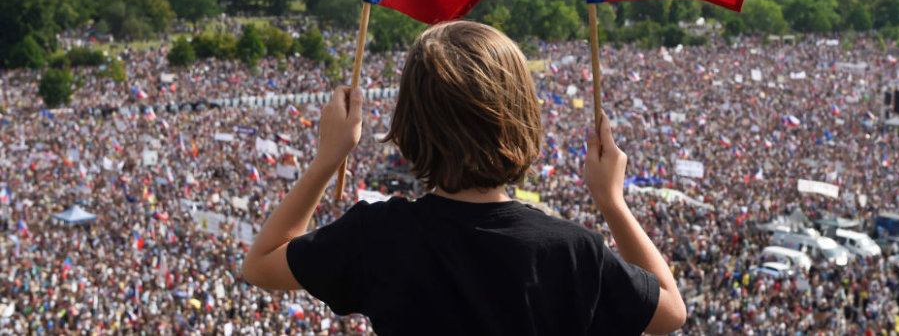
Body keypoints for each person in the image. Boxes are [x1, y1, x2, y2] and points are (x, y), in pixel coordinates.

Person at [242, 21, 686, 335]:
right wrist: (613, 203)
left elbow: (261, 264)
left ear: (411, 123)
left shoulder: (378, 235)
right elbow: (670, 313)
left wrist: (326, 160)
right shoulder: (570, 249)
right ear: (522, 118)